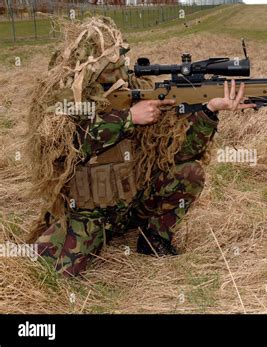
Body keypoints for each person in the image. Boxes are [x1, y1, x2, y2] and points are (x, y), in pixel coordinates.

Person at [30, 17, 255, 277]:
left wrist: (209, 111)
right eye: (110, 62)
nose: (119, 68)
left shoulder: (136, 90)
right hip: (89, 216)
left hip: (131, 204)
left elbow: (180, 153)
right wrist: (129, 118)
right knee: (47, 273)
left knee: (190, 173)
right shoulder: (67, 100)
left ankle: (153, 240)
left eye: (118, 60)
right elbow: (67, 148)